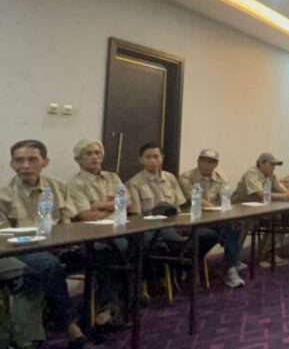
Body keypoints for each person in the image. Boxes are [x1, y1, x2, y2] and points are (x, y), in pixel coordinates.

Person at [0, 140, 86, 347]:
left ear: (45, 162)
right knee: (48, 265)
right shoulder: (4, 194)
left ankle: (105, 312)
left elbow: (67, 221)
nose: (25, 165)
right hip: (24, 250)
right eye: (19, 160)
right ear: (12, 164)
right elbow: (5, 237)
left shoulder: (58, 187)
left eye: (32, 159)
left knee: (106, 252)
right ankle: (68, 323)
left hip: (61, 245)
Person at [65, 138, 131, 327]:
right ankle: (113, 307)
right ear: (78, 159)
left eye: (97, 153)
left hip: (118, 231)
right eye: (89, 153)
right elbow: (86, 215)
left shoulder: (113, 177)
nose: (95, 157)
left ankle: (115, 306)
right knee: (116, 251)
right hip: (90, 238)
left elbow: (128, 202)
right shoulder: (75, 183)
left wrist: (98, 205)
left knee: (135, 246)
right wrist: (115, 207)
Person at [126, 142, 217, 275]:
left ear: (162, 158)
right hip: (154, 228)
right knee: (178, 242)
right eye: (148, 157)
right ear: (141, 160)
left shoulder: (170, 178)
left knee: (210, 235)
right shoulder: (134, 183)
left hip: (176, 224)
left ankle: (187, 262)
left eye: (156, 156)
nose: (153, 160)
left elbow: (179, 205)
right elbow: (136, 216)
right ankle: (181, 263)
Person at [178, 149, 245, 288]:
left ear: (216, 164)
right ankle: (232, 265)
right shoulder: (187, 176)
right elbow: (194, 198)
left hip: (215, 220)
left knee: (234, 226)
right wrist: (216, 209)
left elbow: (225, 199)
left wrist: (222, 209)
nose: (207, 164)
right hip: (193, 219)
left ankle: (231, 268)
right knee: (226, 231)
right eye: (204, 160)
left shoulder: (221, 178)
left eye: (211, 162)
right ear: (198, 161)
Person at [231, 152, 289, 267]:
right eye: (271, 164)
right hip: (238, 210)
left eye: (275, 165)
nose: (274, 168)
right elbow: (261, 194)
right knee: (242, 224)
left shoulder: (271, 175)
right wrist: (287, 195)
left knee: (279, 218)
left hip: (258, 209)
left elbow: (282, 190)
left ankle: (267, 253)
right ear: (261, 163)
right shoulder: (252, 172)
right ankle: (232, 259)